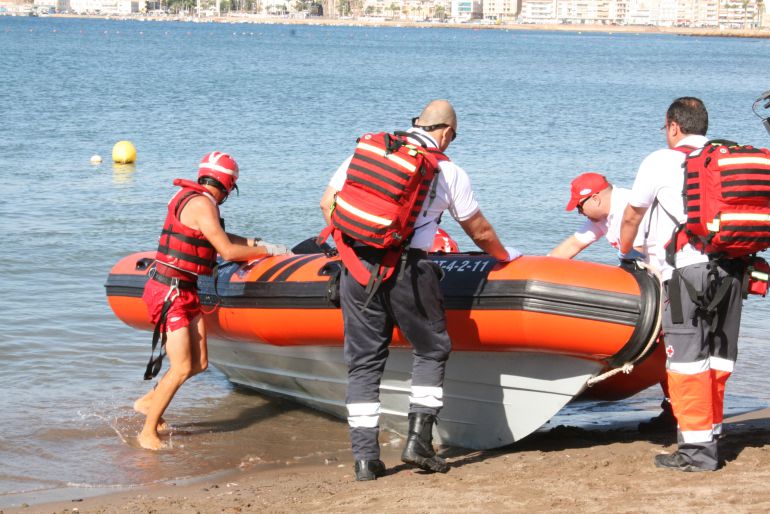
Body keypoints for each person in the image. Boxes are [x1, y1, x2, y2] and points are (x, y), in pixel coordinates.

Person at [320, 99, 522, 481]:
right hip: (408, 269)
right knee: (431, 349)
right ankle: (419, 442)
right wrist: (504, 255)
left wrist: (355, 246)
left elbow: (327, 202)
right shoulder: (449, 172)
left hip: (354, 268)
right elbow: (477, 230)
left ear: (417, 123)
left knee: (363, 364)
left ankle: (365, 461)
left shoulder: (369, 152)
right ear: (446, 133)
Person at [134, 151, 291, 450]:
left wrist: (258, 243)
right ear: (228, 184)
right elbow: (228, 252)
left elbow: (218, 234)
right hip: (170, 292)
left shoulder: (195, 200)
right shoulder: (202, 204)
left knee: (200, 363)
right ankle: (147, 432)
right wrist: (268, 253)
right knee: (182, 367)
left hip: (185, 288)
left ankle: (149, 402)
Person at [619, 97, 745, 472]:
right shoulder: (725, 158)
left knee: (687, 362)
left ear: (673, 126)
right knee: (719, 359)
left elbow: (632, 214)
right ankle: (712, 433)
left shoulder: (660, 160)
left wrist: (626, 249)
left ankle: (695, 453)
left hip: (686, 274)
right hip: (733, 270)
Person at [550, 172, 676, 432]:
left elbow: (647, 252)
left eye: (579, 206)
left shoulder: (629, 206)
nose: (579, 212)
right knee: (665, 348)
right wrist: (536, 269)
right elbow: (572, 245)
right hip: (648, 282)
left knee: (672, 346)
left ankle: (676, 409)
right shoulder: (603, 217)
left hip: (670, 278)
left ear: (594, 198)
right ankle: (673, 407)